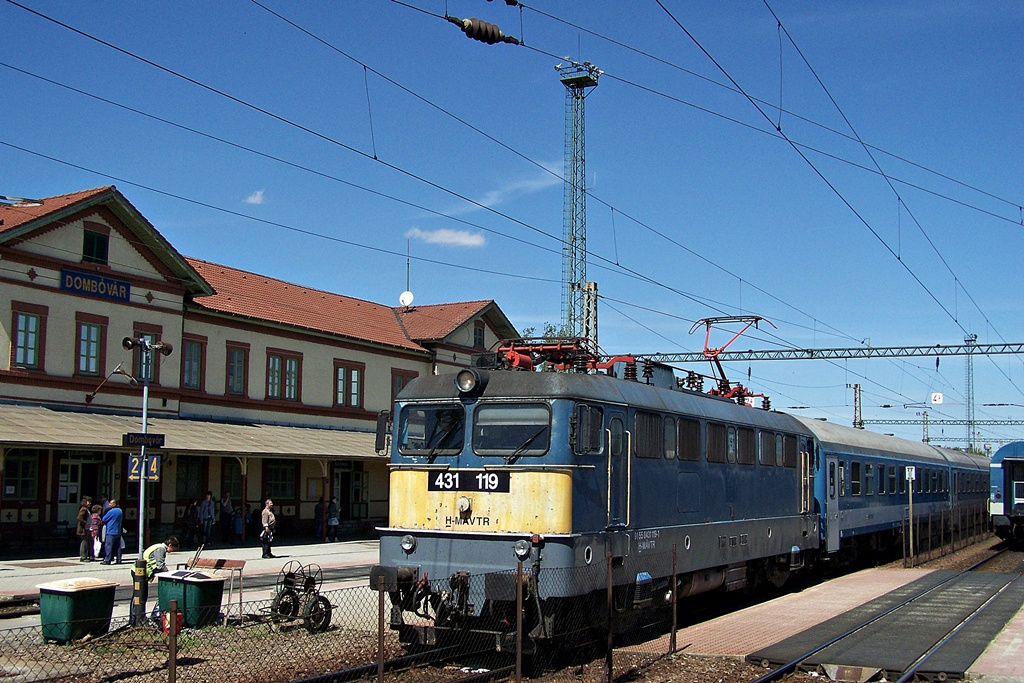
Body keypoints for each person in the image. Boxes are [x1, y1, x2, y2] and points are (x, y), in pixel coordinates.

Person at [142, 537, 179, 620]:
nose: (172, 551)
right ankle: (137, 617)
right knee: (140, 596)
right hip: (141, 572)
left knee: (142, 596)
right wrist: (169, 574)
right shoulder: (160, 549)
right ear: (170, 545)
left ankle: (140, 616)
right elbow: (160, 565)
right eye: (173, 549)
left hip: (143, 572)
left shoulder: (158, 547)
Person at [101, 498, 124, 564]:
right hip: (118, 531)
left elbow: (104, 519)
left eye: (111, 503)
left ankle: (107, 560)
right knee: (118, 547)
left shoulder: (111, 511)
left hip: (110, 531)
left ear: (114, 504)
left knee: (108, 546)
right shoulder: (120, 511)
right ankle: (119, 559)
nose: (109, 504)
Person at [76, 496, 93, 562]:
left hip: (88, 529)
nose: (90, 503)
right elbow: (79, 517)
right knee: (84, 543)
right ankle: (83, 557)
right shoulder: (83, 509)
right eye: (89, 502)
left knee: (88, 543)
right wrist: (85, 523)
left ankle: (87, 555)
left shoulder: (87, 509)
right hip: (84, 529)